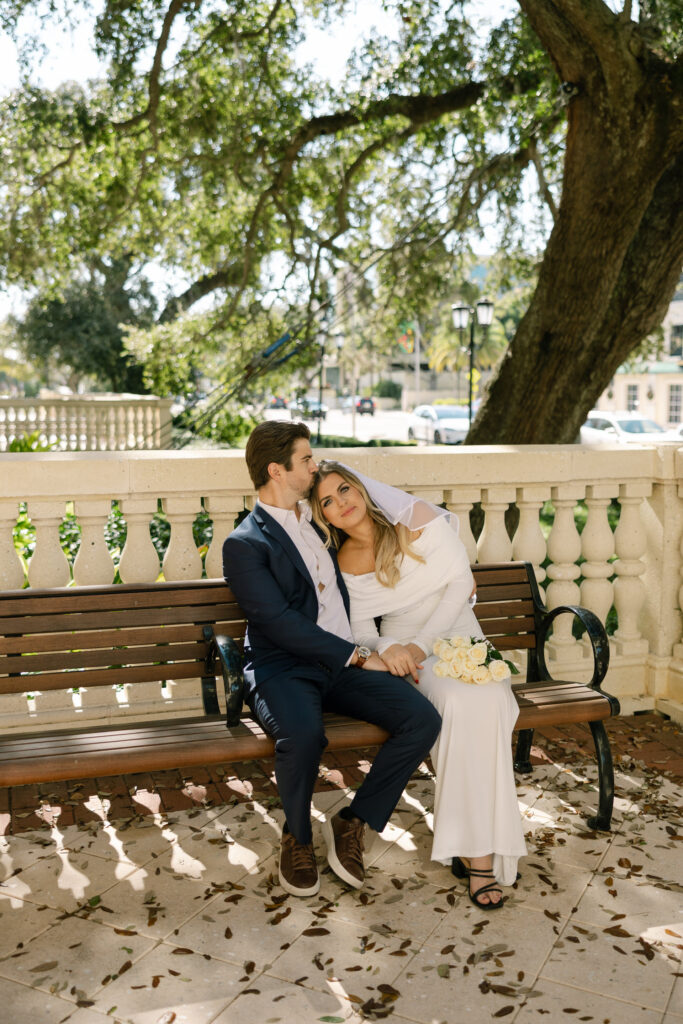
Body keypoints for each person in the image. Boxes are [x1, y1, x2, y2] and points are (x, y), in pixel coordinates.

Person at [222, 421, 441, 898]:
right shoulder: (244, 544)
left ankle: (353, 821)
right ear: (276, 470)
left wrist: (448, 582)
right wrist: (361, 657)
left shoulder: (321, 521)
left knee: (421, 718)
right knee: (303, 736)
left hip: (341, 665)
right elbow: (280, 624)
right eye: (305, 460)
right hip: (284, 667)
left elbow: (375, 549)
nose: (314, 466)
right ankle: (296, 837)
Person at [310, 460, 527, 910]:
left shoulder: (418, 520)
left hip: (459, 636)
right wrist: (392, 649)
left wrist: (423, 644)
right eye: (327, 501)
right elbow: (361, 631)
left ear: (362, 488)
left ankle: (482, 847)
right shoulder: (342, 562)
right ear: (323, 516)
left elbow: (458, 585)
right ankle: (478, 855)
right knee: (456, 709)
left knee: (489, 706)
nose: (341, 503)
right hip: (408, 659)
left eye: (344, 489)